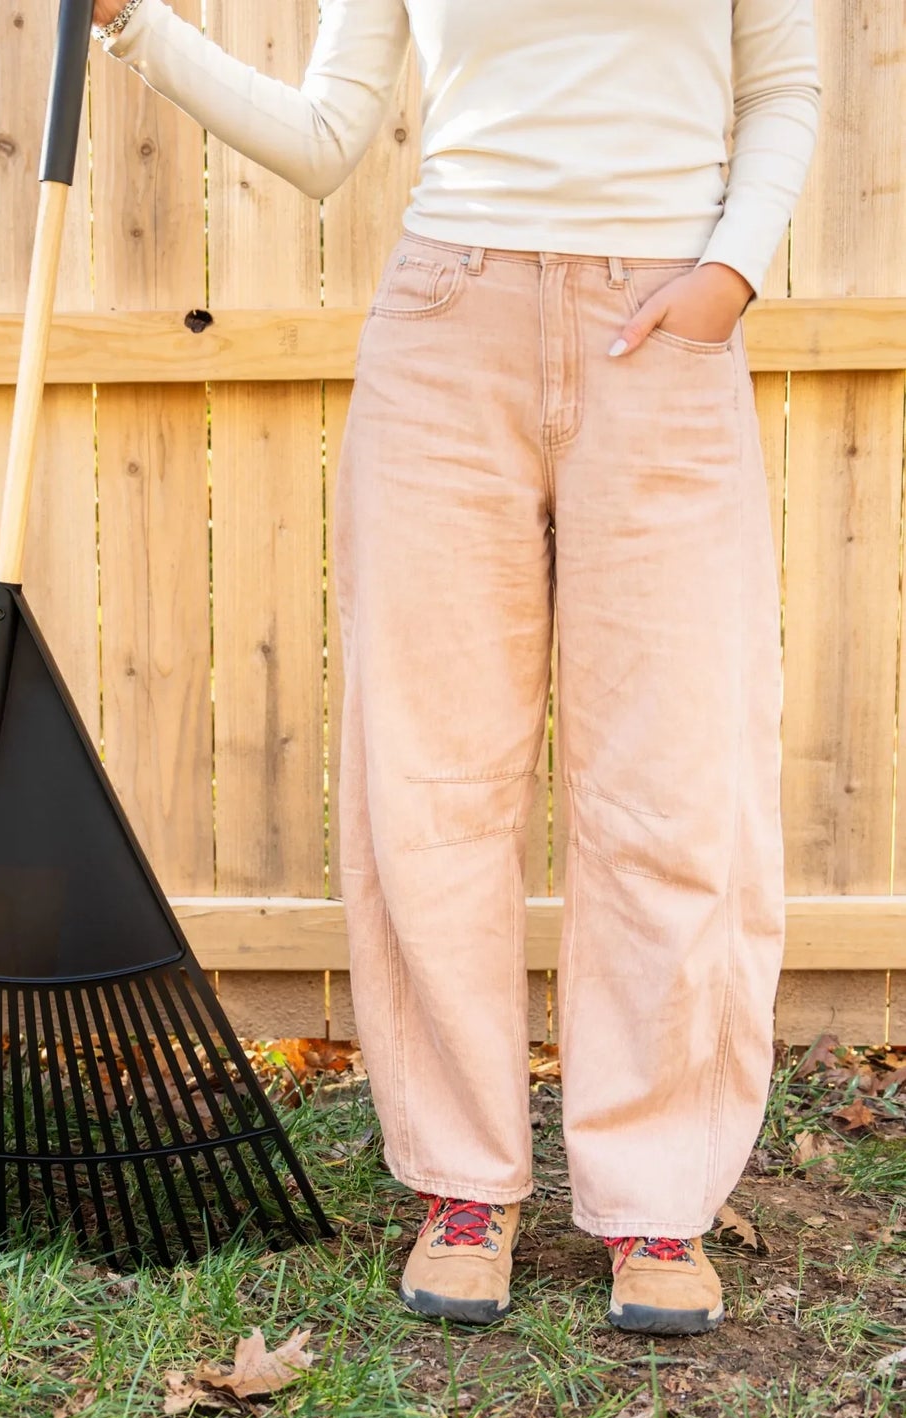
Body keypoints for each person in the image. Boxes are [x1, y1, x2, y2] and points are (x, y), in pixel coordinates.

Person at [90, 0, 819, 1335]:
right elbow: (324, 136)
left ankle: (654, 1196)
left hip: (663, 333)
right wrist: (132, 25)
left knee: (676, 778)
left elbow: (783, 86)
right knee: (430, 777)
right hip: (446, 325)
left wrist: (728, 272)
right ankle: (460, 1183)